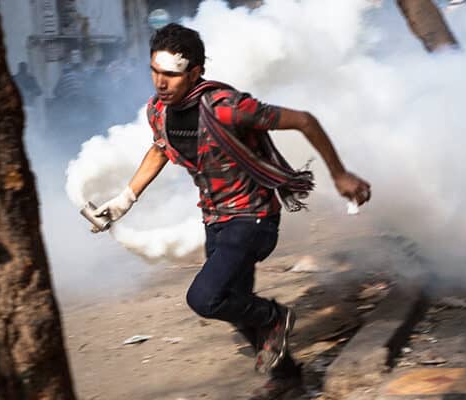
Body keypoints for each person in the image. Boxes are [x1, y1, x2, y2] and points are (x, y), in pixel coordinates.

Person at [93, 24, 371, 399]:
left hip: (253, 218)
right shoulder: (158, 110)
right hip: (215, 219)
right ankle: (287, 379)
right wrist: (125, 199)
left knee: (205, 298)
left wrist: (340, 173)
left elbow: (304, 120)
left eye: (172, 74)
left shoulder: (229, 107)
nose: (161, 82)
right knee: (236, 308)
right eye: (155, 72)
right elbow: (160, 148)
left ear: (194, 74)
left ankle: (275, 317)